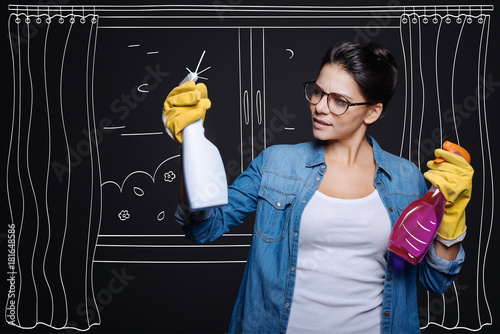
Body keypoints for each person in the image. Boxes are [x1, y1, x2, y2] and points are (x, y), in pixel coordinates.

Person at [163, 42, 473, 333]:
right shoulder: (276, 163)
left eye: (339, 100)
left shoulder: (407, 179)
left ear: (372, 112)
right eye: (318, 92)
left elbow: (435, 281)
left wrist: (452, 216)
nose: (320, 107)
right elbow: (203, 227)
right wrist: (191, 145)